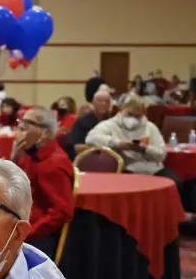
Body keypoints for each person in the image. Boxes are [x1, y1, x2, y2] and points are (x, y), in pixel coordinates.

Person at [10, 107, 75, 260]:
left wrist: (27, 232)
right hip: (18, 220)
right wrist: (13, 159)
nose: (21, 127)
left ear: (46, 132)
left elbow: (61, 212)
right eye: (21, 122)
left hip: (36, 235)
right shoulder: (27, 153)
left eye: (28, 123)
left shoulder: (54, 163)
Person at [85, 95, 177, 181]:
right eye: (129, 114)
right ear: (122, 110)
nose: (133, 119)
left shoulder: (150, 127)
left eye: (137, 116)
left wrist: (145, 149)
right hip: (129, 171)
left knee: (175, 181)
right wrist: (120, 144)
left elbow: (161, 154)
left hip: (154, 170)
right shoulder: (109, 125)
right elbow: (91, 138)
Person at [66, 88, 113, 158]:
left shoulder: (113, 121)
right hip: (88, 159)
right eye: (100, 101)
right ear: (93, 103)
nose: (103, 104)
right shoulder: (82, 121)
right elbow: (78, 148)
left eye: (106, 101)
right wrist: (102, 148)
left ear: (110, 104)